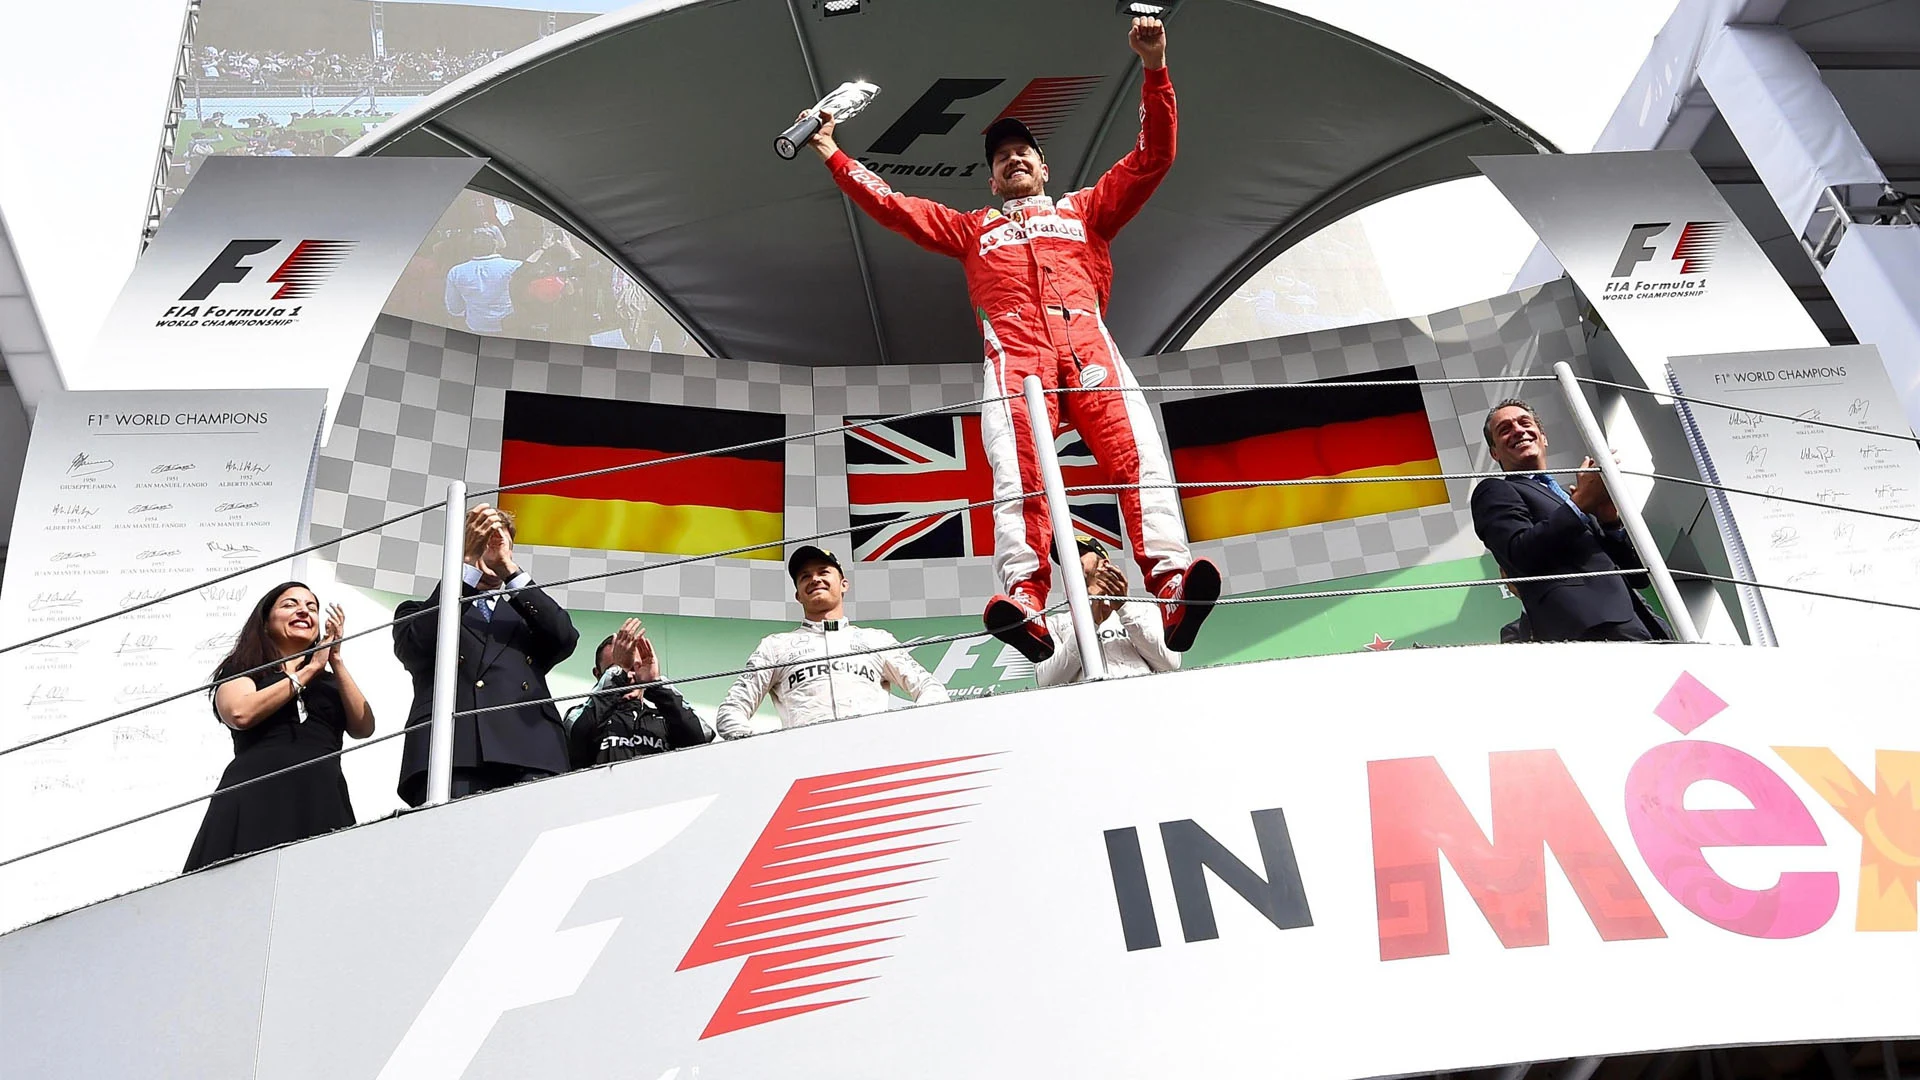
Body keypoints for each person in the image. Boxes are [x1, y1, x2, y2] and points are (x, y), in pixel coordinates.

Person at [803, 15, 1220, 666]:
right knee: (1019, 479)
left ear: (1043, 166)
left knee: (1139, 460)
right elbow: (891, 205)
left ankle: (1172, 588)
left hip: (1089, 346)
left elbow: (1154, 157)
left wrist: (1155, 67)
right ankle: (1026, 602)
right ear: (992, 180)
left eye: (1023, 151)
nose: (1014, 158)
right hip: (1016, 361)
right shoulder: (971, 229)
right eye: (1001, 158)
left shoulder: (1086, 210)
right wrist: (833, 153)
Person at [392, 504, 579, 805]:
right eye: (483, 542)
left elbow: (564, 637)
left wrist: (509, 571)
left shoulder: (526, 615)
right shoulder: (419, 611)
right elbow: (414, 646)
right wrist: (465, 565)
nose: (491, 549)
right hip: (455, 752)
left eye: (500, 542)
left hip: (530, 753)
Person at [185, 583, 374, 871]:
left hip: (320, 795)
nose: (303, 611)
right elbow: (239, 713)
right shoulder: (245, 670)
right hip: (255, 795)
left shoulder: (330, 681)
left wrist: (335, 660)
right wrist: (308, 670)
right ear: (265, 622)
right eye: (290, 604)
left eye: (312, 607)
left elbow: (364, 726)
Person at [1471, 399, 1670, 642]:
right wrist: (1579, 505)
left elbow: (1638, 576)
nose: (1518, 430)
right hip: (1586, 629)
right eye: (1505, 429)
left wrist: (1610, 521)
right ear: (1494, 452)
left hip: (1644, 625)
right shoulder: (1494, 491)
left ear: (1543, 437)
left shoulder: (1570, 497)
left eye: (1525, 422)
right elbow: (1519, 555)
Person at [715, 546, 948, 738]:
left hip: (873, 752)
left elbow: (931, 689)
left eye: (823, 572)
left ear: (843, 584)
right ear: (798, 595)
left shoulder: (876, 639)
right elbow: (731, 711)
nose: (815, 579)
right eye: (805, 576)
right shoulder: (775, 646)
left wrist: (908, 734)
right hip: (803, 762)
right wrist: (765, 751)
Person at [564, 618, 712, 768]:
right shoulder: (583, 717)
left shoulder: (665, 718)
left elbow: (703, 737)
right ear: (598, 674)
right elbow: (571, 735)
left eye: (635, 668)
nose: (628, 676)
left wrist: (656, 685)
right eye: (616, 668)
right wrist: (617, 677)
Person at [1036, 535, 1178, 687]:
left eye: (1079, 553)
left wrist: (1124, 609)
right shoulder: (1055, 623)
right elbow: (1046, 681)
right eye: (1064, 560)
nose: (1069, 561)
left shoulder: (1145, 610)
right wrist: (1089, 622)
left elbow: (1169, 664)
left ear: (1105, 563)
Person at [443, 227, 523, 333]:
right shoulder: (516, 266)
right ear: (495, 244)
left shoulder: (455, 272)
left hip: (474, 327)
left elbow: (454, 308)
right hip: (510, 328)